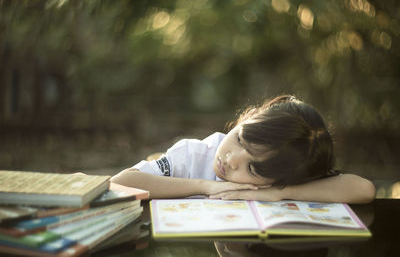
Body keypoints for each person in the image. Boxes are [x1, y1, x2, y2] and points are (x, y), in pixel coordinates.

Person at [111, 95, 375, 204]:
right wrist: (206, 186)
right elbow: (119, 184)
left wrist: (278, 193)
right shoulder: (195, 155)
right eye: (240, 139)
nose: (232, 159)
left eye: (253, 167)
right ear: (246, 119)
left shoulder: (283, 177)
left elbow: (364, 189)